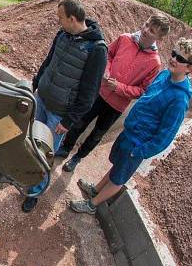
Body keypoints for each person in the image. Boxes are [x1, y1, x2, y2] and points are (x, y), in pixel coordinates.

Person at [70, 38, 192, 215]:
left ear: (190, 68)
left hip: (138, 144)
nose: (174, 59)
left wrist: (139, 151)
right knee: (117, 166)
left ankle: (92, 205)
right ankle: (96, 189)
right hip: (130, 132)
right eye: (174, 54)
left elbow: (165, 137)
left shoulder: (179, 100)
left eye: (180, 59)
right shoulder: (164, 75)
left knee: (119, 177)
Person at [22, 0, 107, 213]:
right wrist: (36, 85)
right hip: (42, 99)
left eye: (60, 18)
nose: (58, 21)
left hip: (59, 114)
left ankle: (35, 191)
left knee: (44, 154)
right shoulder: (63, 34)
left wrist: (69, 121)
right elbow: (49, 61)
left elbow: (89, 93)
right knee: (32, 143)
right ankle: (24, 175)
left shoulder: (96, 49)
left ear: (72, 18)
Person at [58, 14, 170, 173]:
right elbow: (107, 54)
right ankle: (65, 148)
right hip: (98, 92)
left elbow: (143, 90)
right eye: (146, 25)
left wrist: (119, 88)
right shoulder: (124, 38)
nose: (145, 30)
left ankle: (77, 158)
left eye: (151, 30)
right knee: (79, 122)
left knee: (97, 135)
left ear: (160, 38)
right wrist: (106, 70)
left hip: (116, 106)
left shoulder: (155, 63)